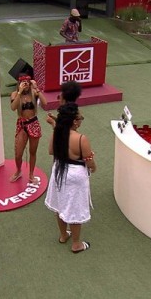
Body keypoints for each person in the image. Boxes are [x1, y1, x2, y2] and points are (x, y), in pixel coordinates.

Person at [44, 103, 96, 254]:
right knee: (75, 208)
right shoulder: (81, 138)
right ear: (74, 121)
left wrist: (55, 125)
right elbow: (89, 161)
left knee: (60, 204)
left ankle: (63, 235)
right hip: (75, 175)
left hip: (59, 171)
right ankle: (76, 244)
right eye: (80, 118)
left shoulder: (57, 133)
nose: (81, 120)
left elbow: (51, 151)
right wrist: (93, 167)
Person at [9, 74, 48, 184]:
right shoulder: (15, 94)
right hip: (22, 125)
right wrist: (20, 92)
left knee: (33, 152)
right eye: (23, 82)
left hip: (33, 123)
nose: (26, 85)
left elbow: (45, 103)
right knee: (18, 153)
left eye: (27, 82)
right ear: (19, 83)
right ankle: (18, 171)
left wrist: (36, 88)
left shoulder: (34, 92)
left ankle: (31, 174)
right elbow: (13, 108)